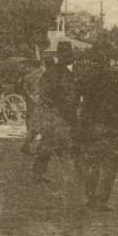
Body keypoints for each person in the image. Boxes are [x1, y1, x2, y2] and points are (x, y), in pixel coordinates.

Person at [77, 51, 118, 211]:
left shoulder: (85, 77)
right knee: (109, 164)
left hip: (91, 126)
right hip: (112, 126)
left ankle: (91, 197)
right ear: (108, 59)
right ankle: (102, 200)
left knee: (91, 163)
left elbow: (76, 99)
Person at [33, 41, 79, 184]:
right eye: (68, 54)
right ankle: (38, 174)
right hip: (55, 114)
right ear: (61, 55)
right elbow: (44, 92)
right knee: (49, 144)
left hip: (65, 114)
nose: (71, 57)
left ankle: (40, 173)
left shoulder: (65, 72)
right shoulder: (54, 72)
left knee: (60, 144)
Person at [18, 57, 48, 155]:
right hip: (41, 102)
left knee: (35, 123)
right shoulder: (45, 75)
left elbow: (24, 86)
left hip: (32, 100)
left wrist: (30, 95)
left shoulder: (30, 75)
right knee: (40, 125)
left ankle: (27, 145)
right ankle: (28, 146)